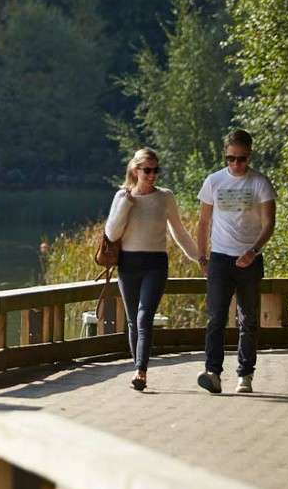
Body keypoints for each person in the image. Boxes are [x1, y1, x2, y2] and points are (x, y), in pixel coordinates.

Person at [104, 148, 199, 391]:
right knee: (133, 321)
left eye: (156, 170)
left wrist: (199, 258)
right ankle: (138, 365)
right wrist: (126, 203)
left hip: (155, 263)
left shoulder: (165, 197)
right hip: (128, 264)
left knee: (145, 316)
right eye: (147, 170)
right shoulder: (121, 197)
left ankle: (141, 371)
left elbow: (179, 231)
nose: (152, 174)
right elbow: (112, 233)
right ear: (135, 170)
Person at [195, 129, 276, 394]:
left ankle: (245, 374)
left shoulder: (260, 183)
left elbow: (269, 223)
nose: (236, 164)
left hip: (250, 260)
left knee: (248, 319)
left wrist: (253, 250)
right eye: (231, 158)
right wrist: (201, 256)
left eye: (241, 159)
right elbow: (204, 222)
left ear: (249, 155)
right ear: (225, 156)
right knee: (216, 317)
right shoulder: (214, 181)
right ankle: (213, 373)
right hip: (219, 258)